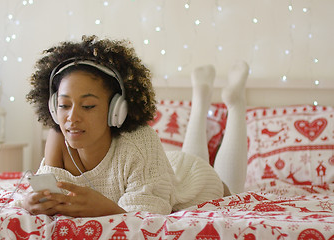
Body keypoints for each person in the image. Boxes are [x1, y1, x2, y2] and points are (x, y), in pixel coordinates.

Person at [24, 35, 249, 217]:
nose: (72, 117)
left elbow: (147, 218)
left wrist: (102, 207)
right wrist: (30, 201)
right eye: (63, 105)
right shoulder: (58, 137)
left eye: (89, 106)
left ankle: (234, 103)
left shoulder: (140, 141)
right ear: (53, 108)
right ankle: (201, 96)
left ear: (116, 110)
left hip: (189, 183)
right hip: (157, 168)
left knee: (234, 192)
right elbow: (48, 196)